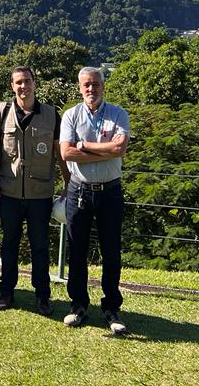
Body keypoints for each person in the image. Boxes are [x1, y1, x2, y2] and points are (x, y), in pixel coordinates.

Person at [0, 66, 69, 314]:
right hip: (8, 192)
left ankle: (42, 296)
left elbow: (60, 153)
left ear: (35, 83)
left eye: (28, 81)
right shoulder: (2, 111)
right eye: (19, 82)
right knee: (9, 244)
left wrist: (69, 185)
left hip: (40, 194)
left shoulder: (51, 115)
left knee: (40, 247)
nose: (24, 86)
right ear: (12, 86)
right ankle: (6, 292)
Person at [59, 66, 130, 334]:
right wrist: (106, 150)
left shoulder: (118, 114)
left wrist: (85, 145)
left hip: (110, 191)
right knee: (77, 251)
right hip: (79, 191)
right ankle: (78, 305)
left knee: (111, 251)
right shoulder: (71, 115)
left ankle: (111, 308)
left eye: (96, 84)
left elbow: (120, 148)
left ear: (103, 86)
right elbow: (66, 153)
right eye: (86, 84)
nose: (91, 88)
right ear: (80, 88)